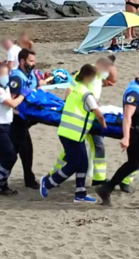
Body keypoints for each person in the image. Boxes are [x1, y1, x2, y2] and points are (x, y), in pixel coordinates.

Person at [95, 64, 139, 210]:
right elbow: (127, 117)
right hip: (135, 132)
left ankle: (106, 188)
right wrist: (126, 137)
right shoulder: (134, 93)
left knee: (134, 163)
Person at [40, 64, 107, 203]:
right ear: (89, 77)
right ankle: (48, 182)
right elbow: (98, 114)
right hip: (73, 133)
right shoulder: (86, 94)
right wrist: (104, 126)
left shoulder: (76, 89)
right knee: (74, 164)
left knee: (83, 163)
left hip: (69, 132)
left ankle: (80, 193)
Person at [49, 57, 114, 186]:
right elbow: (69, 90)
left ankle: (98, 178)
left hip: (89, 116)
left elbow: (111, 81)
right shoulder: (87, 72)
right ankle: (53, 174)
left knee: (95, 146)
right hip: (81, 117)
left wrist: (104, 84)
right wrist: (69, 110)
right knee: (73, 150)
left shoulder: (98, 76)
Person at [0, 48, 44, 188]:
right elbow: (12, 101)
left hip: (18, 118)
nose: (33, 63)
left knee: (17, 150)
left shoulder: (29, 75)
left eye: (34, 61)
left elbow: (33, 90)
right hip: (14, 120)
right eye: (31, 61)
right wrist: (24, 98)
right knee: (18, 151)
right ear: (22, 61)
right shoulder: (16, 78)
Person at [0, 63, 27, 195]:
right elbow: (11, 103)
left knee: (8, 156)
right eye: (3, 74)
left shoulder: (4, 87)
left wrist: (19, 113)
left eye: (7, 74)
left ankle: (1, 181)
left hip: (7, 125)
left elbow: (8, 106)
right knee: (9, 155)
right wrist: (23, 95)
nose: (6, 77)